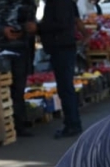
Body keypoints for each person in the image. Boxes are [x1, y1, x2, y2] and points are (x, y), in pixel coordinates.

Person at [0, 0, 37, 137]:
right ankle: (2, 126)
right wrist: (2, 30)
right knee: (2, 87)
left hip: (21, 48)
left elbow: (31, 19)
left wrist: (25, 30)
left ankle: (19, 125)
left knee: (19, 88)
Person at [38, 0, 86, 139]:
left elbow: (62, 24)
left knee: (65, 87)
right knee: (65, 87)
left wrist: (39, 27)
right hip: (62, 47)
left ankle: (72, 124)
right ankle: (71, 122)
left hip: (62, 47)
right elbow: (74, 20)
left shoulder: (59, 3)